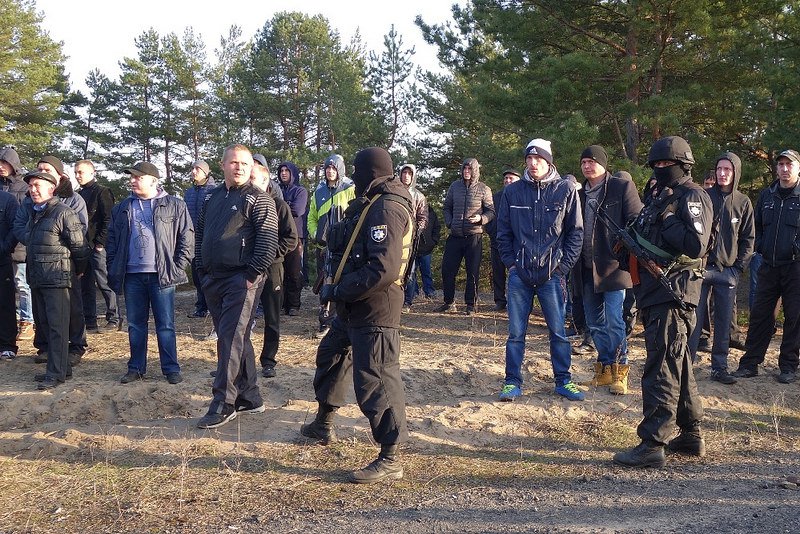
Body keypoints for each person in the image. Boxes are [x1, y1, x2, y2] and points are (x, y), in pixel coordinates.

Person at [302, 147, 413, 484]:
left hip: (376, 307)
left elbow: (383, 268)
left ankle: (391, 456)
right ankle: (323, 422)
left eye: (358, 170)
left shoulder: (388, 208)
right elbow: (348, 243)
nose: (354, 176)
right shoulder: (369, 204)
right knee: (332, 357)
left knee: (375, 379)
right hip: (353, 308)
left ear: (370, 171)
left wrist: (339, 290)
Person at [613, 135, 712, 468]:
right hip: (654, 292)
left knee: (661, 367)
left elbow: (695, 245)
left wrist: (668, 218)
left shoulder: (692, 196)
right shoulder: (658, 193)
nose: (658, 169)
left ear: (683, 165)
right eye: (655, 165)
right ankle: (691, 434)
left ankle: (653, 442)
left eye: (665, 164)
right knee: (678, 363)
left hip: (674, 291)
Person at [195, 144, 278, 429]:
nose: (240, 167)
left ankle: (223, 402)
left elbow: (268, 243)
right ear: (223, 165)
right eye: (234, 162)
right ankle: (249, 396)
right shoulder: (212, 198)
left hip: (243, 280)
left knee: (229, 339)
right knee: (235, 337)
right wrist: (200, 269)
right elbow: (201, 235)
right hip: (213, 279)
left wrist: (251, 275)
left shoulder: (258, 199)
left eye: (244, 163)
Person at [495, 138, 584, 401]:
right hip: (519, 275)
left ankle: (563, 380)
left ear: (549, 162)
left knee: (558, 332)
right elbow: (503, 232)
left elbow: (575, 233)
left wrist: (562, 267)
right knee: (515, 334)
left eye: (539, 159)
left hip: (551, 276)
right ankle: (512, 381)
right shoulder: (512, 192)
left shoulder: (566, 190)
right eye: (529, 159)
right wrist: (511, 264)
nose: (533, 164)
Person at [106, 162, 193, 385]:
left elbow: (187, 238)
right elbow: (112, 241)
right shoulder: (122, 207)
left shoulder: (175, 205)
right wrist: (113, 265)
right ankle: (135, 368)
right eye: (131, 177)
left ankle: (171, 369)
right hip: (132, 275)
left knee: (165, 325)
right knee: (135, 325)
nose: (132, 180)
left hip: (162, 275)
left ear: (153, 181)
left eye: (138, 177)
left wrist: (177, 266)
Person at [574, 145, 642, 395]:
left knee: (615, 320)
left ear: (603, 164)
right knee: (594, 323)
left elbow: (636, 220)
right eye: (583, 162)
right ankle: (604, 369)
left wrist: (622, 250)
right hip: (585, 268)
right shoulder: (579, 194)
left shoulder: (620, 187)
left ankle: (621, 371)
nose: (587, 166)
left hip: (615, 267)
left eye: (592, 161)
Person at [732, 149, 800, 384]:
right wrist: (760, 246)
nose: (784, 169)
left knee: (794, 317)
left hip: (795, 268)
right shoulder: (767, 196)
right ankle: (750, 363)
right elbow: (756, 227)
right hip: (768, 265)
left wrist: (795, 248)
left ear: (797, 168)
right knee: (760, 315)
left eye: (789, 164)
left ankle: (788, 366)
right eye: (780, 164)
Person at [17, 170, 89, 389]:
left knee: (58, 326)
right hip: (37, 277)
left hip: (58, 277)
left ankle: (55, 373)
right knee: (46, 325)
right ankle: (60, 369)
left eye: (38, 185)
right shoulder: (33, 212)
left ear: (52, 188)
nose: (33, 189)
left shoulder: (63, 212)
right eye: (30, 186)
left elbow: (79, 246)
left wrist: (79, 270)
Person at [687, 151, 754, 385]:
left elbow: (748, 239)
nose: (723, 173)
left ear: (735, 172)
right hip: (702, 269)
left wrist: (737, 269)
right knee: (694, 320)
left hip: (728, 271)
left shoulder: (743, 202)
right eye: (720, 169)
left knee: (724, 322)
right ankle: (687, 365)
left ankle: (719, 367)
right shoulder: (705, 196)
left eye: (728, 169)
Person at [252, 154, 298, 378]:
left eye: (255, 180)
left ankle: (268, 360)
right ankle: (236, 362)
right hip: (247, 269)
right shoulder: (243, 204)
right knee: (241, 319)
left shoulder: (279, 206)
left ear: (265, 182)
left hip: (272, 269)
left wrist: (271, 254)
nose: (251, 184)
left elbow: (291, 238)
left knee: (272, 317)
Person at [437, 158, 494, 315]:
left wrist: (481, 219)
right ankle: (449, 302)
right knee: (447, 270)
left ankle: (470, 305)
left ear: (475, 171)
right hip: (455, 235)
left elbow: (491, 211)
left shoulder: (484, 189)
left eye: (469, 169)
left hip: (473, 236)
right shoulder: (455, 187)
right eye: (464, 169)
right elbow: (446, 207)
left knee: (472, 272)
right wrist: (449, 222)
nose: (466, 172)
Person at [307, 155, 355, 337]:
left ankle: (342, 322)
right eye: (327, 168)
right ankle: (325, 322)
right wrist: (315, 234)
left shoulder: (350, 188)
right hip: (323, 248)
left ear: (340, 170)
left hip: (344, 248)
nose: (330, 171)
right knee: (325, 283)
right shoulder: (318, 191)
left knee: (342, 283)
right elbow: (311, 217)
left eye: (334, 168)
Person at [75, 160, 119, 332]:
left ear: (92, 173)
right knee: (85, 284)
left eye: (81, 172)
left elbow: (109, 218)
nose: (78, 176)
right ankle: (90, 321)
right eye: (76, 172)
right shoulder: (77, 194)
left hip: (97, 246)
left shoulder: (102, 192)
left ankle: (114, 318)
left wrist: (100, 243)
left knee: (104, 281)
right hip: (82, 246)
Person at [0, 146, 34, 341]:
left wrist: (11, 243)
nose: (1, 166)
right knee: (6, 288)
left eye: (5, 162)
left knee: (22, 284)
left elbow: (22, 219)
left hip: (19, 246)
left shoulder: (23, 187)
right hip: (1, 248)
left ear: (14, 165)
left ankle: (27, 321)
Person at [184, 159, 216, 318]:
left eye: (197, 169)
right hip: (192, 239)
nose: (194, 171)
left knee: (209, 273)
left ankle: (212, 305)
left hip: (208, 239)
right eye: (193, 168)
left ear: (206, 172)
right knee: (197, 275)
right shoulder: (189, 193)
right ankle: (201, 306)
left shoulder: (214, 191)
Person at [486, 169, 520, 311]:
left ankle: (517, 302)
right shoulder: (495, 197)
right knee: (498, 273)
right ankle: (500, 301)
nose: (507, 180)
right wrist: (493, 232)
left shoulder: (523, 196)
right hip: (498, 242)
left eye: (511, 178)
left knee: (517, 273)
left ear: (518, 180)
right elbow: (489, 216)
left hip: (517, 243)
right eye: (505, 178)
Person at [276, 161, 307, 316]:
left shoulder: (300, 191)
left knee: (294, 272)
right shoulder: (277, 189)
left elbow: (298, 209)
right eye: (281, 170)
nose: (283, 173)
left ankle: (294, 305)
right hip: (278, 236)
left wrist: (283, 207)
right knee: (279, 273)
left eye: (287, 171)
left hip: (296, 237)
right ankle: (282, 304)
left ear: (293, 173)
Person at [398, 163, 428, 311]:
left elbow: (423, 217)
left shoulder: (419, 196)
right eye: (404, 173)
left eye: (409, 173)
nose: (406, 176)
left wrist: (417, 230)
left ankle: (407, 302)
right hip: (394, 236)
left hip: (410, 239)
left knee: (410, 270)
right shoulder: (393, 192)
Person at [0, 189, 19, 360]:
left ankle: (7, 345)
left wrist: (4, 248)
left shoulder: (7, 199)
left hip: (2, 260)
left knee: (5, 302)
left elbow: (16, 227)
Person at [408, 203, 440, 303]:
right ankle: (414, 293)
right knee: (412, 273)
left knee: (426, 272)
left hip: (426, 249)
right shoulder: (410, 213)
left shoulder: (432, 214)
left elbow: (437, 228)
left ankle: (429, 292)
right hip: (412, 249)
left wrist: (434, 241)